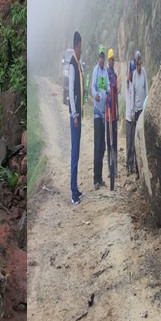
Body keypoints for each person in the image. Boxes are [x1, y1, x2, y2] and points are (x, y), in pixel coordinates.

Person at [68, 32, 84, 205]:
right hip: (75, 117)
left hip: (78, 114)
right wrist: (74, 115)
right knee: (74, 153)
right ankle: (73, 193)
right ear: (77, 45)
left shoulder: (78, 64)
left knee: (77, 153)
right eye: (80, 47)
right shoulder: (72, 64)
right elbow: (71, 93)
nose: (81, 50)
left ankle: (76, 188)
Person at [126, 50, 147, 179]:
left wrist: (147, 106)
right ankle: (136, 169)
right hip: (136, 111)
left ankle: (142, 168)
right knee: (135, 140)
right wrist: (133, 110)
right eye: (137, 65)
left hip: (142, 110)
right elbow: (132, 93)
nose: (139, 67)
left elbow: (147, 89)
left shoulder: (144, 73)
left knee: (142, 139)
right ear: (135, 64)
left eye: (140, 64)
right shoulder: (133, 75)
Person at [91, 46, 108, 189]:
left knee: (102, 147)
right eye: (100, 57)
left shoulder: (105, 72)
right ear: (98, 58)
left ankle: (101, 177)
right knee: (97, 147)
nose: (102, 59)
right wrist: (95, 94)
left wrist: (108, 92)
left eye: (103, 57)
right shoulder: (96, 70)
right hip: (97, 114)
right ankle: (95, 179)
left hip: (104, 116)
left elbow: (107, 86)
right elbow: (93, 86)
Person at [105, 48, 120, 190]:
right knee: (108, 142)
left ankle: (115, 167)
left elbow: (116, 95)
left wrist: (118, 109)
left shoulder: (114, 76)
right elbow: (105, 94)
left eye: (113, 59)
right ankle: (109, 169)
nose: (112, 61)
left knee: (115, 142)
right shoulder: (105, 75)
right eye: (110, 59)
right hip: (107, 115)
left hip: (114, 115)